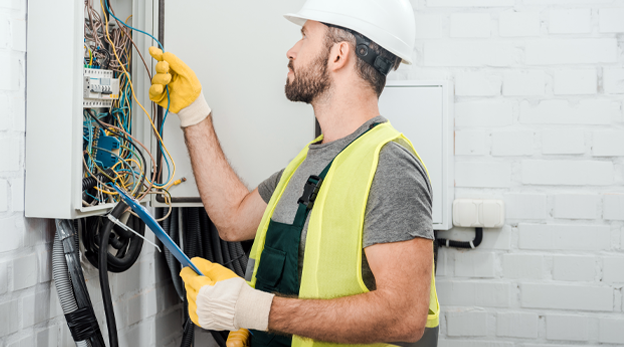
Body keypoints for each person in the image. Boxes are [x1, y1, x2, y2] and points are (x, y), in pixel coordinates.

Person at [148, 0, 439, 346]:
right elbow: (232, 217)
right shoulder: (306, 162)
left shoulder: (390, 165)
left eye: (304, 37)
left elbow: (404, 316)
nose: (292, 50)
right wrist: (194, 112)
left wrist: (253, 310)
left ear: (338, 55)